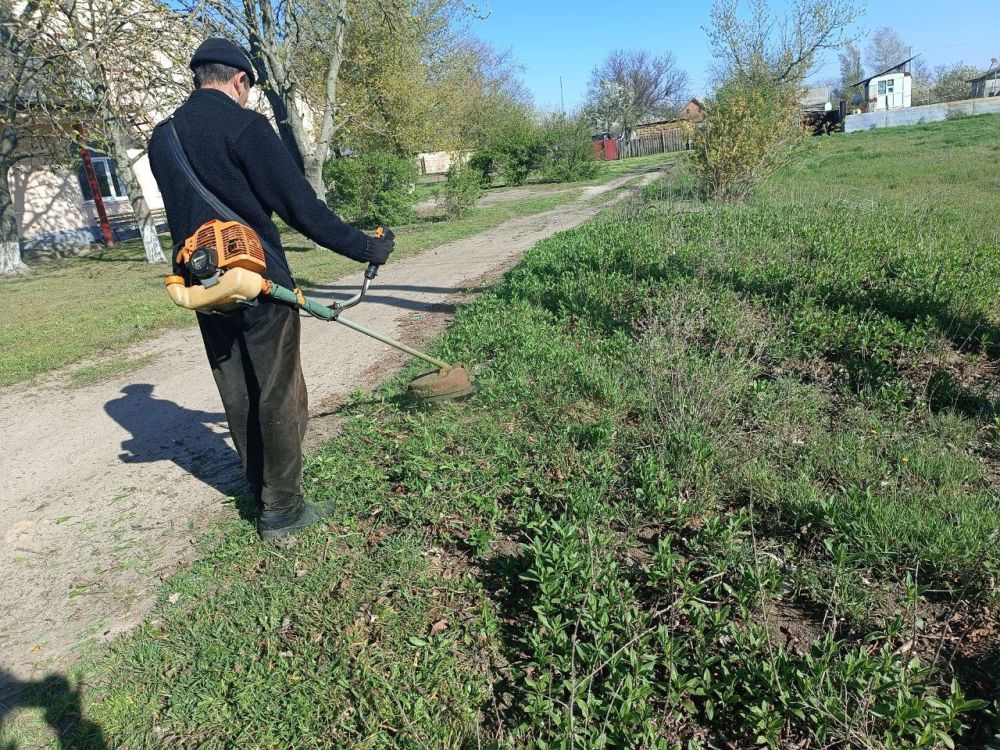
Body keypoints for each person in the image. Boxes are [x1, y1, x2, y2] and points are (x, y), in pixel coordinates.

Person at [148, 37, 395, 540]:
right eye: (247, 88)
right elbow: (302, 209)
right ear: (240, 81)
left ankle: (258, 486)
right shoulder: (245, 126)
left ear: (198, 77)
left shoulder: (162, 137)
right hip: (259, 283)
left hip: (204, 283)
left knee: (237, 389)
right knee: (279, 391)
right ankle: (282, 509)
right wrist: (367, 249)